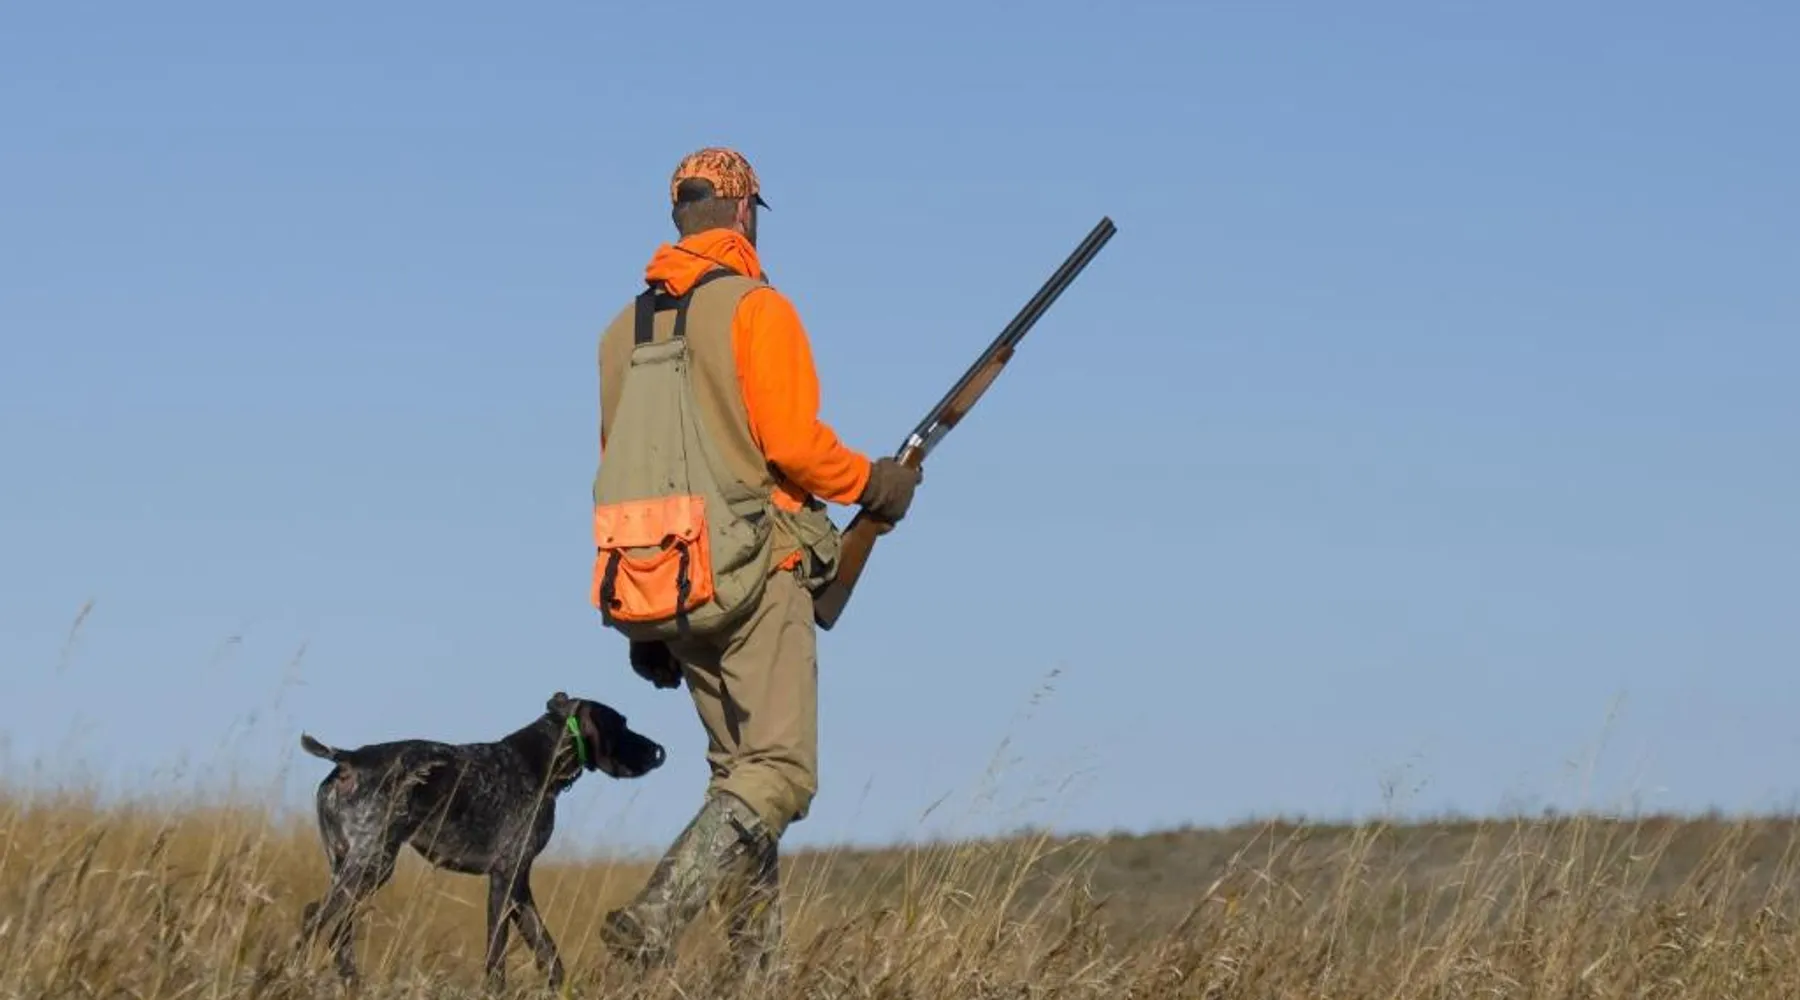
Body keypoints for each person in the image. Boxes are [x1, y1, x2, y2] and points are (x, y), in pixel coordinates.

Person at [590, 146, 920, 974]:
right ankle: (658, 914)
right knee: (780, 771)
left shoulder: (620, 332)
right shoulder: (757, 308)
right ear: (744, 215)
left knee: (738, 777)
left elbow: (618, 464)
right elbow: (796, 448)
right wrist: (875, 484)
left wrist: (649, 626)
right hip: (756, 574)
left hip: (666, 587)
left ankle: (752, 972)